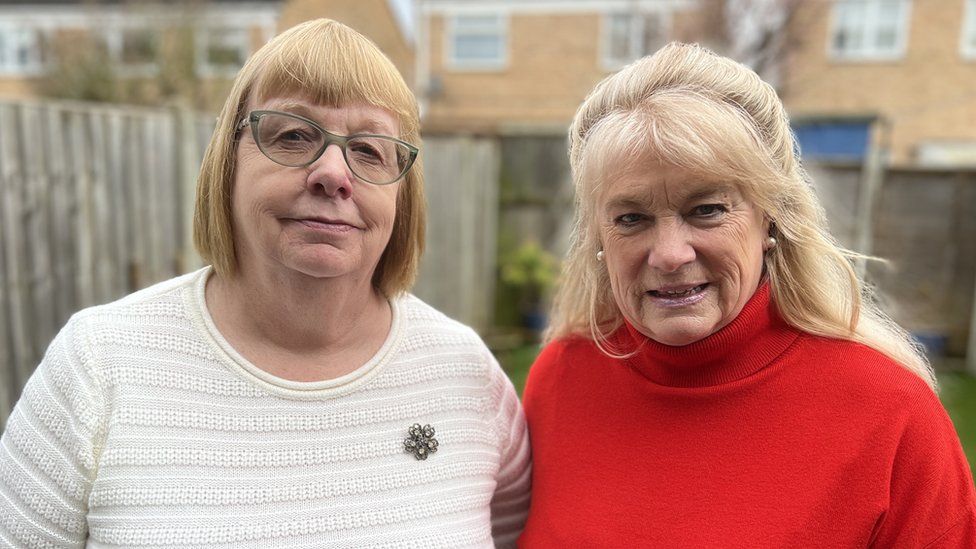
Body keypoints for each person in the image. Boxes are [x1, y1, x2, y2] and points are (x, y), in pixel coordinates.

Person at [0, 19, 529, 548]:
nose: (334, 174)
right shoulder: (99, 364)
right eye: (294, 135)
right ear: (227, 165)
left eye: (369, 150)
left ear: (402, 195)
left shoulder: (465, 376)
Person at [519, 42, 975, 547]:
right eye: (631, 218)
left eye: (707, 209)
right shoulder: (563, 377)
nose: (669, 254)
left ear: (771, 218)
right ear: (599, 238)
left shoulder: (891, 412)